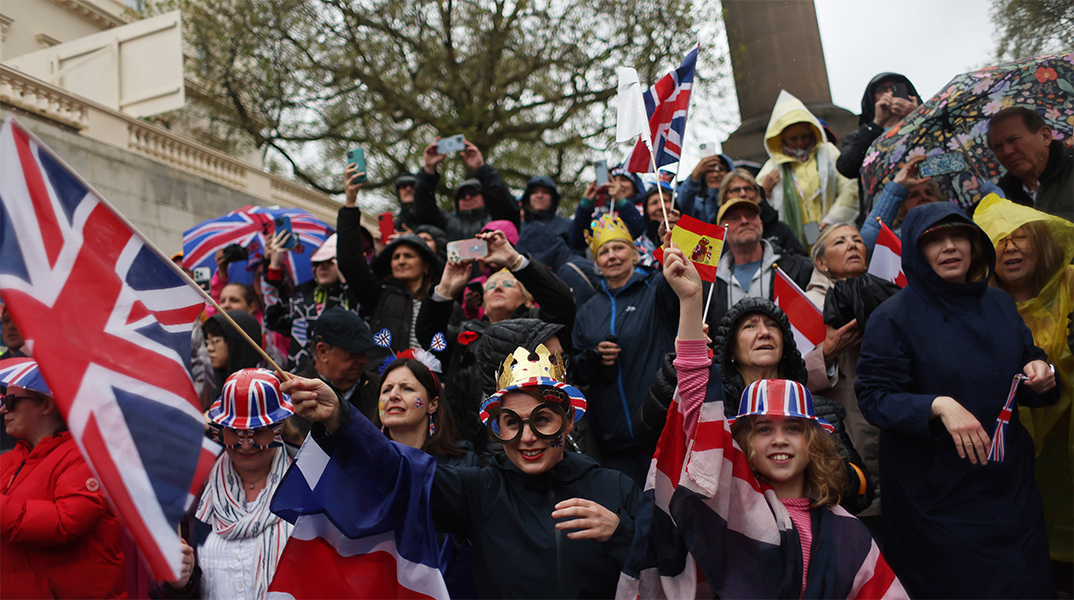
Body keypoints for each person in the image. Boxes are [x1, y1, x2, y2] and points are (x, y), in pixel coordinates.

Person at [617, 247, 903, 598]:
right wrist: (691, 303)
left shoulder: (850, 535)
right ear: (740, 443)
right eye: (763, 428)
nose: (779, 439)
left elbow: (861, 495)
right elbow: (693, 410)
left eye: (795, 428)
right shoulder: (726, 511)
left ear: (815, 440)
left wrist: (833, 468)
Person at [283, 343, 644, 598]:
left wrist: (622, 533)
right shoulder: (480, 490)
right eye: (511, 423)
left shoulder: (615, 488)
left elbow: (676, 566)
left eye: (542, 421)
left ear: (567, 424)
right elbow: (399, 470)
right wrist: (340, 418)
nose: (527, 438)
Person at [855, 201, 1058, 598]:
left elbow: (1026, 358)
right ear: (916, 251)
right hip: (936, 498)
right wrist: (937, 405)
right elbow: (875, 397)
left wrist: (1040, 373)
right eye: (934, 240)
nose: (949, 247)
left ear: (974, 244)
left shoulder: (999, 303)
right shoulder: (893, 316)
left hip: (1010, 489)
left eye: (958, 235)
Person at [634, 296, 874, 516]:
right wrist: (682, 366)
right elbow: (651, 436)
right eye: (750, 326)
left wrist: (816, 457)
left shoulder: (820, 412)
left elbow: (860, 494)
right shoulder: (713, 410)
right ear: (731, 351)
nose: (764, 333)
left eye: (772, 326)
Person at [974, 195, 1074, 588]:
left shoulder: (1070, 282)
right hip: (1021, 455)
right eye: (998, 240)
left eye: (1020, 236)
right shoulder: (981, 310)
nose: (1011, 247)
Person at [417, 229, 576, 448]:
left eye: (508, 284)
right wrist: (445, 288)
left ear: (528, 300)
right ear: (482, 303)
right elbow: (429, 336)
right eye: (490, 286)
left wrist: (514, 261)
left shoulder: (542, 329)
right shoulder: (465, 335)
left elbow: (562, 304)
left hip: (531, 442)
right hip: (468, 449)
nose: (497, 287)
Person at [152, 369, 294, 600]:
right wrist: (177, 583)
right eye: (235, 433)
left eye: (258, 432)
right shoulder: (194, 490)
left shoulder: (309, 483)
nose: (246, 445)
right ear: (220, 431)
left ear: (280, 428)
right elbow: (162, 584)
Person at [1, 359, 127, 598]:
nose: (3, 409)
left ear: (47, 405)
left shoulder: (87, 457)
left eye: (11, 401)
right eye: (2, 400)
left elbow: (66, 523)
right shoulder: (7, 461)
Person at [573, 214, 677, 484]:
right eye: (604, 252)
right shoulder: (587, 310)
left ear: (634, 254)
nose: (612, 256)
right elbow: (575, 369)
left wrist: (673, 240)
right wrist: (592, 358)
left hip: (661, 432)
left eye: (618, 248)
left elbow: (685, 287)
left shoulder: (656, 287)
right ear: (596, 262)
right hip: (612, 442)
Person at [801, 224, 884, 530]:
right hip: (844, 425)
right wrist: (827, 353)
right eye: (840, 241)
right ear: (821, 262)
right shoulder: (807, 304)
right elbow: (790, 376)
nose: (852, 245)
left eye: (857, 241)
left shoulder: (885, 291)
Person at [340, 166, 440, 368]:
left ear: (426, 266)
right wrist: (350, 203)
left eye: (408, 256)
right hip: (383, 385)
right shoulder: (380, 294)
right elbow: (349, 262)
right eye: (395, 257)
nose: (401, 261)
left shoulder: (442, 301)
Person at [757, 90, 859, 246]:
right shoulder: (772, 167)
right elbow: (757, 206)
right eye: (793, 138)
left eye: (804, 136)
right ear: (780, 138)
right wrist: (766, 192)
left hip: (833, 233)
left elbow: (850, 188)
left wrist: (832, 220)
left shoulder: (829, 152)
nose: (800, 143)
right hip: (794, 242)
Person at [706, 197, 813, 327]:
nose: (744, 221)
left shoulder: (798, 268)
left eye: (751, 215)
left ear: (761, 224)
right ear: (722, 231)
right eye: (734, 218)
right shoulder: (710, 283)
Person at [262, 231, 353, 371]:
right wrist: (274, 265)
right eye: (318, 262)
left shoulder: (352, 301)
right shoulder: (302, 304)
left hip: (338, 381)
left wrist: (346, 276)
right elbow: (273, 318)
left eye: (330, 261)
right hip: (299, 380)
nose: (323, 267)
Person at [836, 73, 920, 221]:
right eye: (882, 90)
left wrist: (918, 117)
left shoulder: (924, 124)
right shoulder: (859, 136)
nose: (890, 93)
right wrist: (876, 124)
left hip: (923, 201)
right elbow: (846, 167)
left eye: (895, 88)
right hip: (883, 216)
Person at [411, 139, 520, 241]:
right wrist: (428, 169)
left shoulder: (497, 220)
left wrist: (481, 168)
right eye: (462, 195)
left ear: (484, 196)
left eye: (473, 193)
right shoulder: (447, 223)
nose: (467, 197)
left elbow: (505, 203)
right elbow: (424, 211)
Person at [294, 306, 378, 427]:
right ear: (323, 352)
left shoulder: (379, 390)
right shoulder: (294, 397)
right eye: (354, 353)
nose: (364, 360)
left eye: (364, 352)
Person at [986, 106, 1073, 221]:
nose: (1007, 152)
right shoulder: (1001, 201)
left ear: (1045, 136)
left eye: (1014, 140)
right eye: (997, 147)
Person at [859, 154, 941, 251]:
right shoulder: (899, 239)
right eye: (914, 195)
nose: (924, 197)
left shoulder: (956, 228)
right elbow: (869, 241)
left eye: (929, 193)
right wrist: (898, 185)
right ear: (901, 208)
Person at [719, 168, 806, 256]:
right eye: (736, 190)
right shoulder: (714, 234)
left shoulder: (778, 228)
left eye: (748, 189)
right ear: (724, 196)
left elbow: (800, 262)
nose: (743, 194)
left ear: (757, 194)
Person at [202, 310, 265, 393]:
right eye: (208, 342)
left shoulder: (262, 389)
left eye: (214, 341)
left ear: (236, 343)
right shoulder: (213, 386)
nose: (209, 348)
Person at [677, 153, 734, 224]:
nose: (715, 175)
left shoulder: (740, 195)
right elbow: (682, 207)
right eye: (709, 171)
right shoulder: (697, 204)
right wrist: (694, 176)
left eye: (721, 169)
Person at [520, 175, 573, 245]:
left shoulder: (567, 226)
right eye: (534, 192)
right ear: (527, 198)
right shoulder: (517, 227)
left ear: (553, 198)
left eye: (545, 192)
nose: (539, 196)